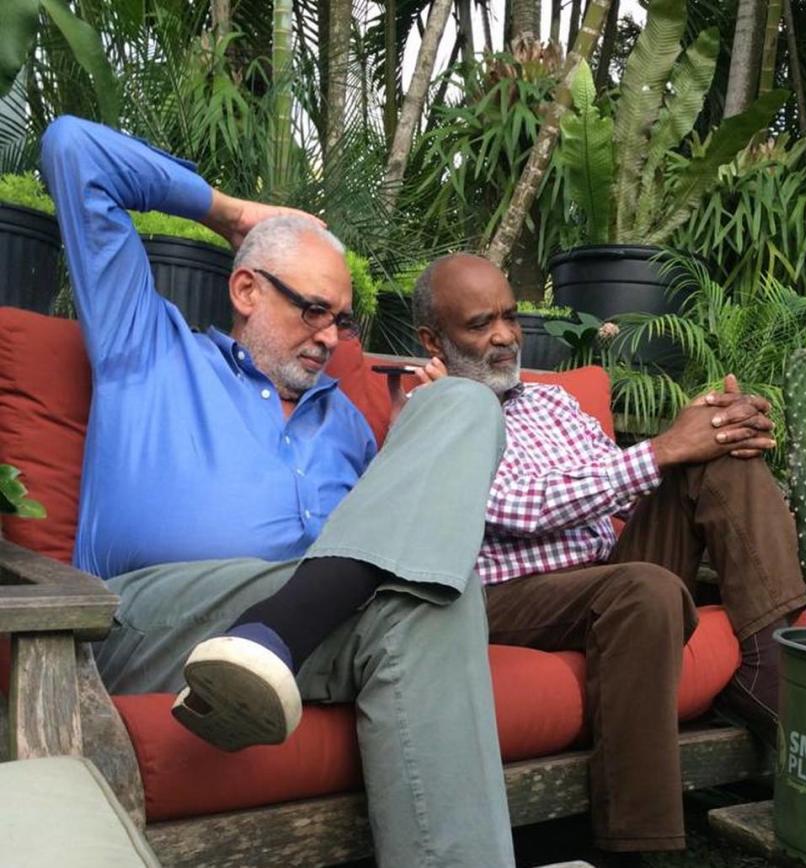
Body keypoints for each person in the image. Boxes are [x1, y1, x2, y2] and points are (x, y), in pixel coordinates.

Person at [41, 116, 515, 868]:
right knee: (428, 595)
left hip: (298, 637)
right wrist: (232, 212)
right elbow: (73, 148)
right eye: (312, 308)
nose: (332, 336)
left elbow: (403, 560)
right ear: (246, 288)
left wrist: (415, 436)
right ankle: (275, 630)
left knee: (461, 407)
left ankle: (275, 633)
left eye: (343, 320)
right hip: (149, 618)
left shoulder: (349, 425)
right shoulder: (147, 350)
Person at [407, 253, 806, 860]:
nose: (504, 336)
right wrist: (664, 449)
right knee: (643, 587)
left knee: (723, 455)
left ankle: (767, 668)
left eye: (511, 318)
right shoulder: (427, 412)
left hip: (606, 566)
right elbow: (515, 507)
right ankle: (638, 846)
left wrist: (704, 427)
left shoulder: (553, 402)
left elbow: (624, 482)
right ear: (433, 339)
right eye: (479, 323)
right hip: (510, 594)